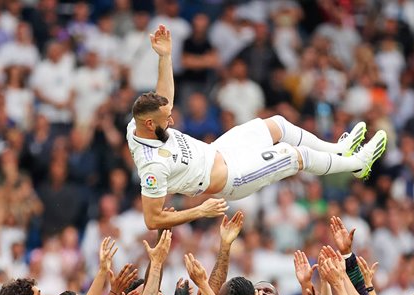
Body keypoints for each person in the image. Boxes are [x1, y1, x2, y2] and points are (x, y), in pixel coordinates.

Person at [126, 25, 387, 230]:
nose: (171, 120)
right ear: (150, 124)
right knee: (291, 155)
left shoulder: (140, 124)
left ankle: (339, 148)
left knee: (276, 125)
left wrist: (165, 57)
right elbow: (152, 219)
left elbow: (164, 100)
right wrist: (199, 211)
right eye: (165, 119)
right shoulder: (153, 167)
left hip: (219, 151)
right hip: (232, 177)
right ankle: (357, 164)